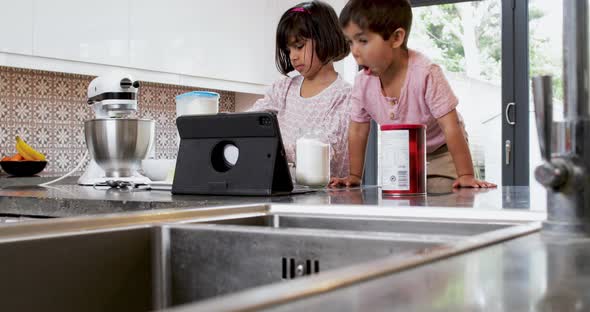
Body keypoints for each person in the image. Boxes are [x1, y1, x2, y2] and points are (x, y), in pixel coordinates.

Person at [330, 0, 496, 188]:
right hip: (402, 156)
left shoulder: (425, 73)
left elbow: (451, 126)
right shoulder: (362, 83)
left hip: (441, 153)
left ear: (396, 38)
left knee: (445, 196)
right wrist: (354, 175)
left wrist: (465, 174)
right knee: (402, 204)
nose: (355, 51)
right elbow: (358, 130)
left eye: (363, 41)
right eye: (350, 42)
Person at [248, 1, 352, 178]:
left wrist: (268, 148)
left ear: (325, 38)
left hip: (326, 199)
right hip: (284, 194)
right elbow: (247, 122)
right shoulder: (283, 88)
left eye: (299, 46)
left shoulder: (345, 96)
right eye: (288, 50)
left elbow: (320, 151)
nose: (293, 56)